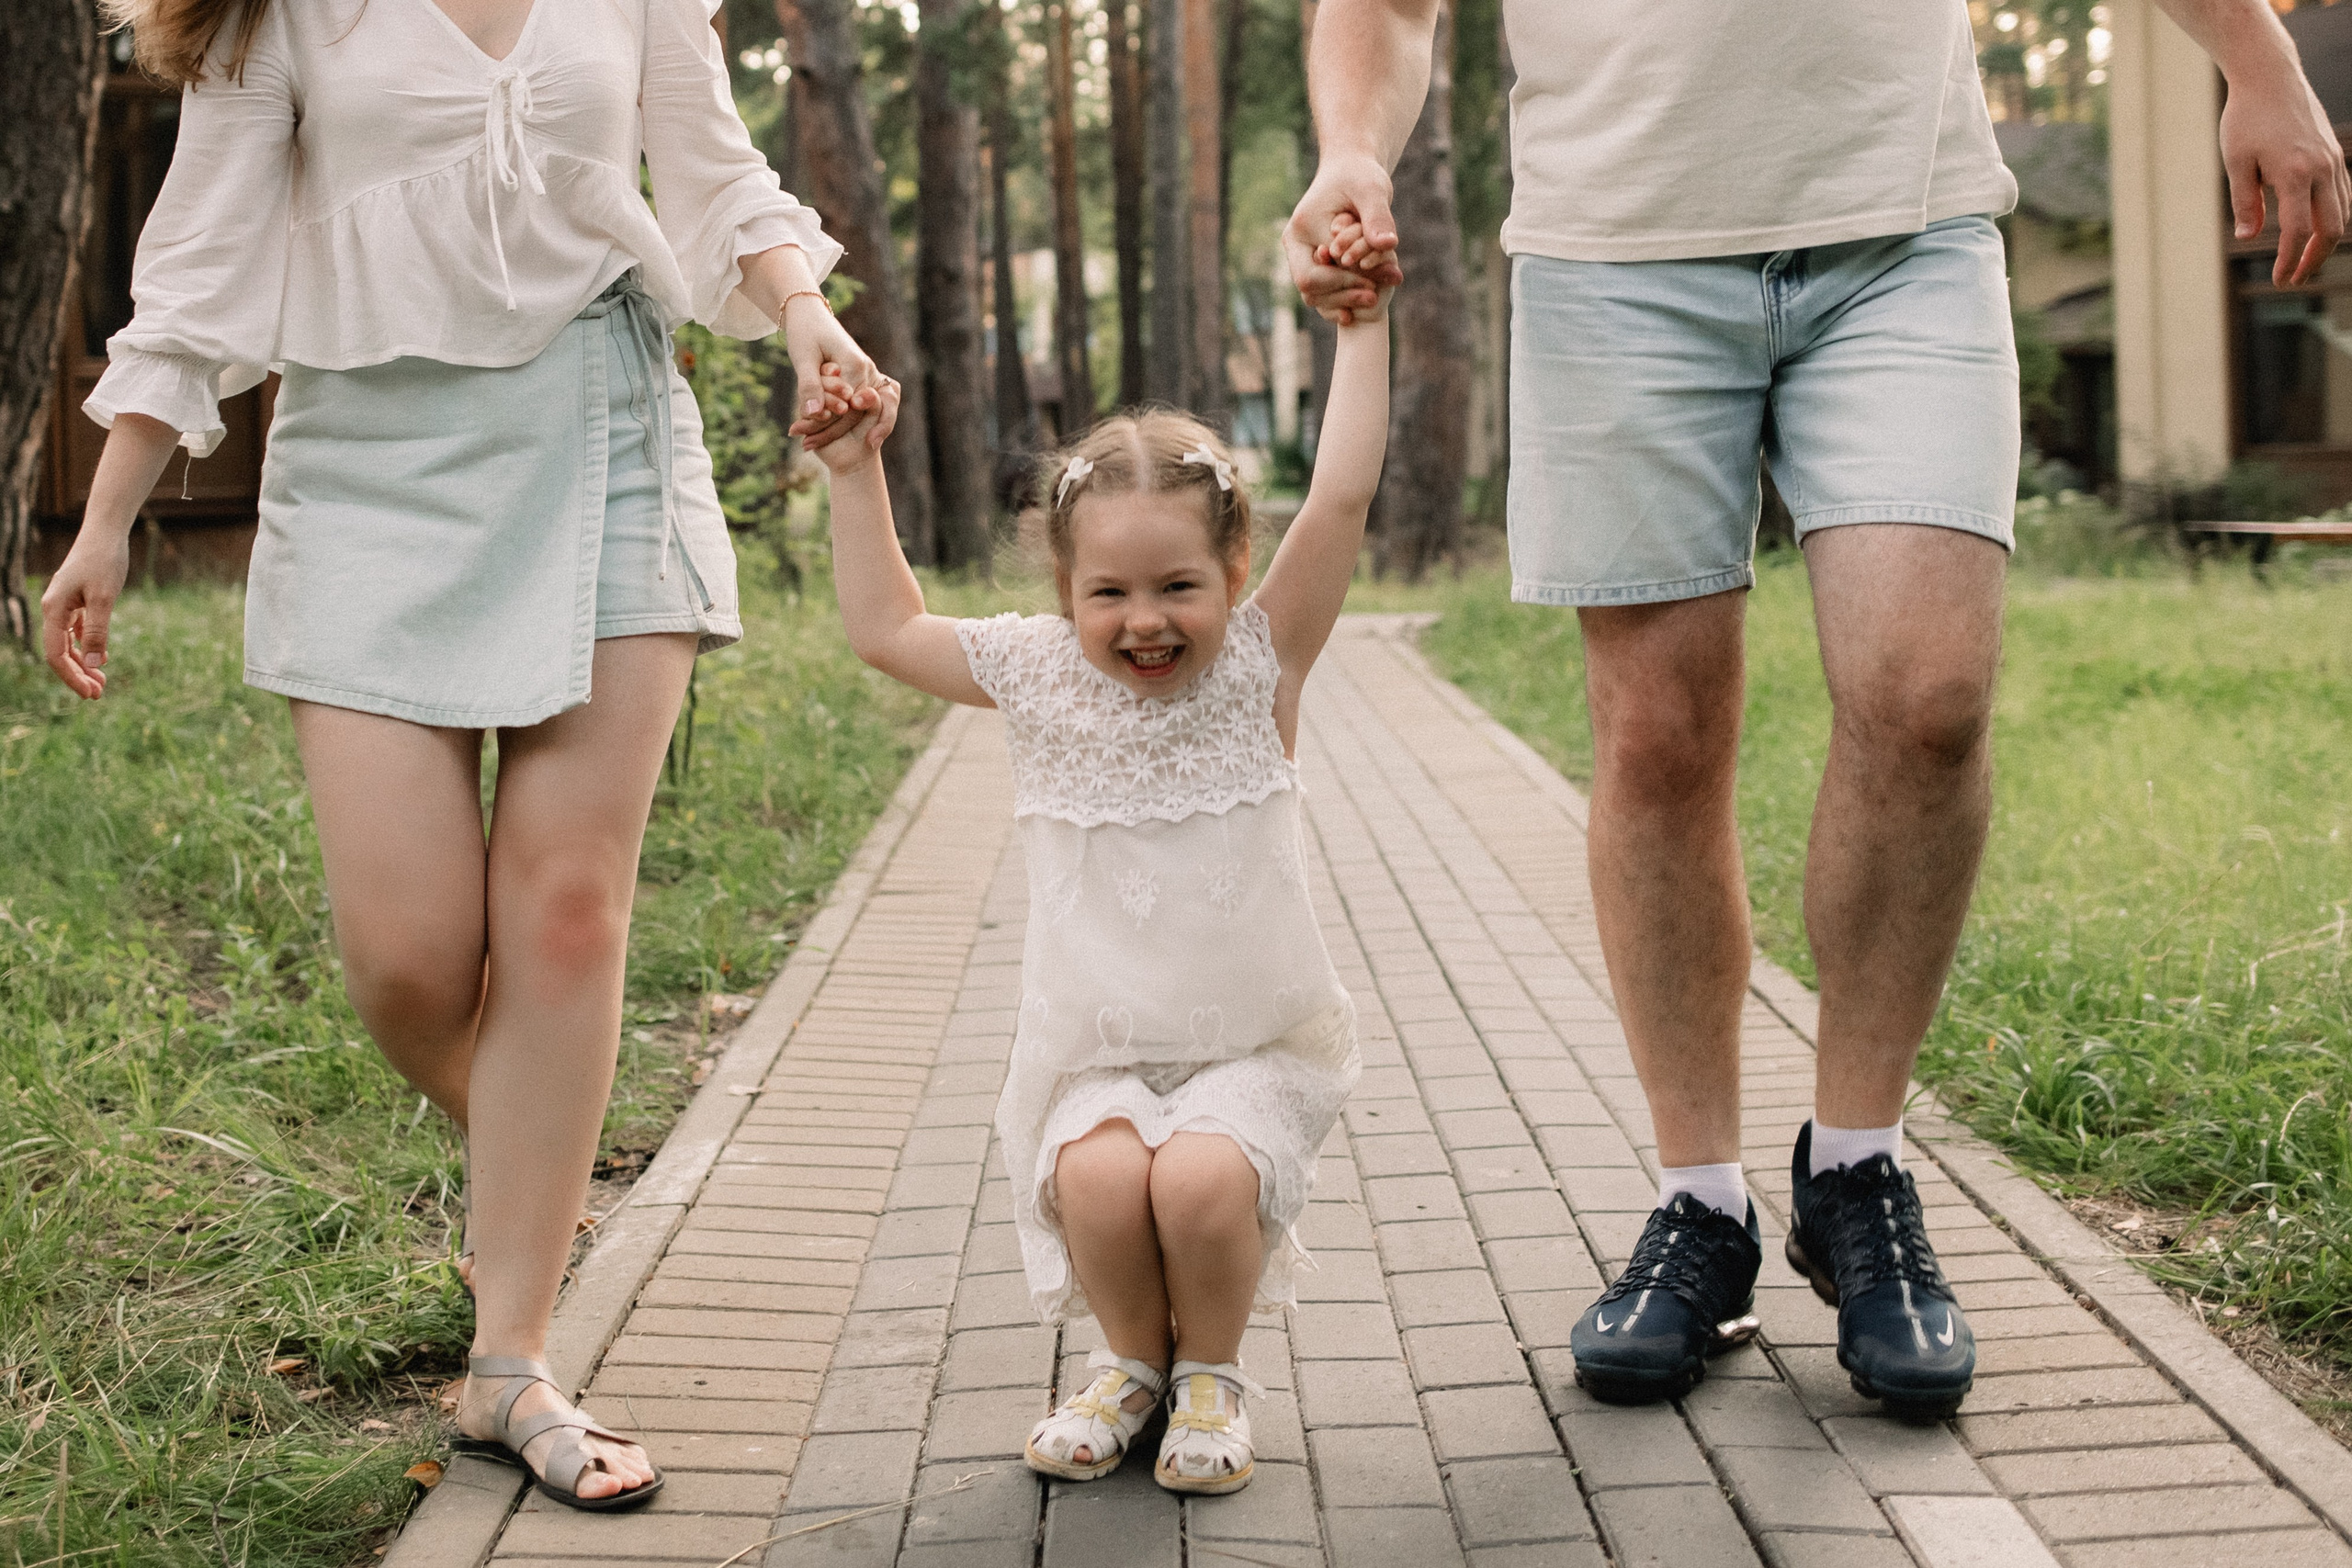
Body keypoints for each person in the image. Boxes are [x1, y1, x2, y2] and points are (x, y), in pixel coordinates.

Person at [1286, 0, 2346, 1418]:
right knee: (1657, 736)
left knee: (1929, 697)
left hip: (1901, 229)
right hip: (1615, 251)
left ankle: (1856, 1170)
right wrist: (1351, 146)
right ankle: (1700, 1208)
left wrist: (2260, 60)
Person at [41, 0, 892, 1510]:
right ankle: (542, 1163)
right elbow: (201, 262)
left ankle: (511, 1366)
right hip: (368, 468)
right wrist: (106, 518)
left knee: (568, 913)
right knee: (413, 963)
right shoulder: (277, 11)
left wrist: (809, 315)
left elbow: (710, 174)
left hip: (610, 428)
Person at [801, 233, 1391, 1493]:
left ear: (1234, 575)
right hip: (1099, 1052)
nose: (1144, 621)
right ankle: (1132, 1365)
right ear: (1065, 588)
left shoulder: (1254, 667)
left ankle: (1215, 1378)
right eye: (1109, 591)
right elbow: (887, 627)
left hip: (1251, 1049)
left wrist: (1359, 329)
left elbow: (1337, 498)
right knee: (1106, 1178)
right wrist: (856, 468)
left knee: (1200, 1182)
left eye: (1180, 585)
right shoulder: (1035, 674)